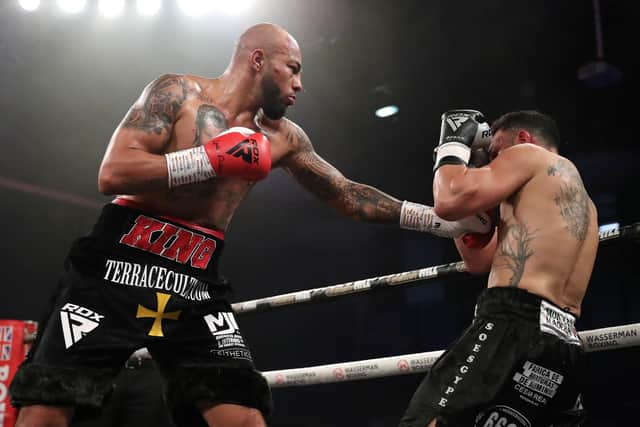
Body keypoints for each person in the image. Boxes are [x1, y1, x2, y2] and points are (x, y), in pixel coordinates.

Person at [9, 23, 494, 427]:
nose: (300, 85)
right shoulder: (176, 93)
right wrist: (210, 160)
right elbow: (112, 173)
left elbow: (345, 193)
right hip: (117, 262)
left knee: (244, 415)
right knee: (48, 409)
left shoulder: (284, 137)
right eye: (294, 69)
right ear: (259, 60)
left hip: (194, 278)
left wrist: (438, 222)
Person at [399, 110, 599, 426]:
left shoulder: (528, 155)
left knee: (427, 419)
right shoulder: (581, 203)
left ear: (522, 139)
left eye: (495, 151)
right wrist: (471, 210)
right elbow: (478, 262)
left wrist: (451, 146)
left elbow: (448, 199)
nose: (492, 162)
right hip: (563, 344)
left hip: (512, 323)